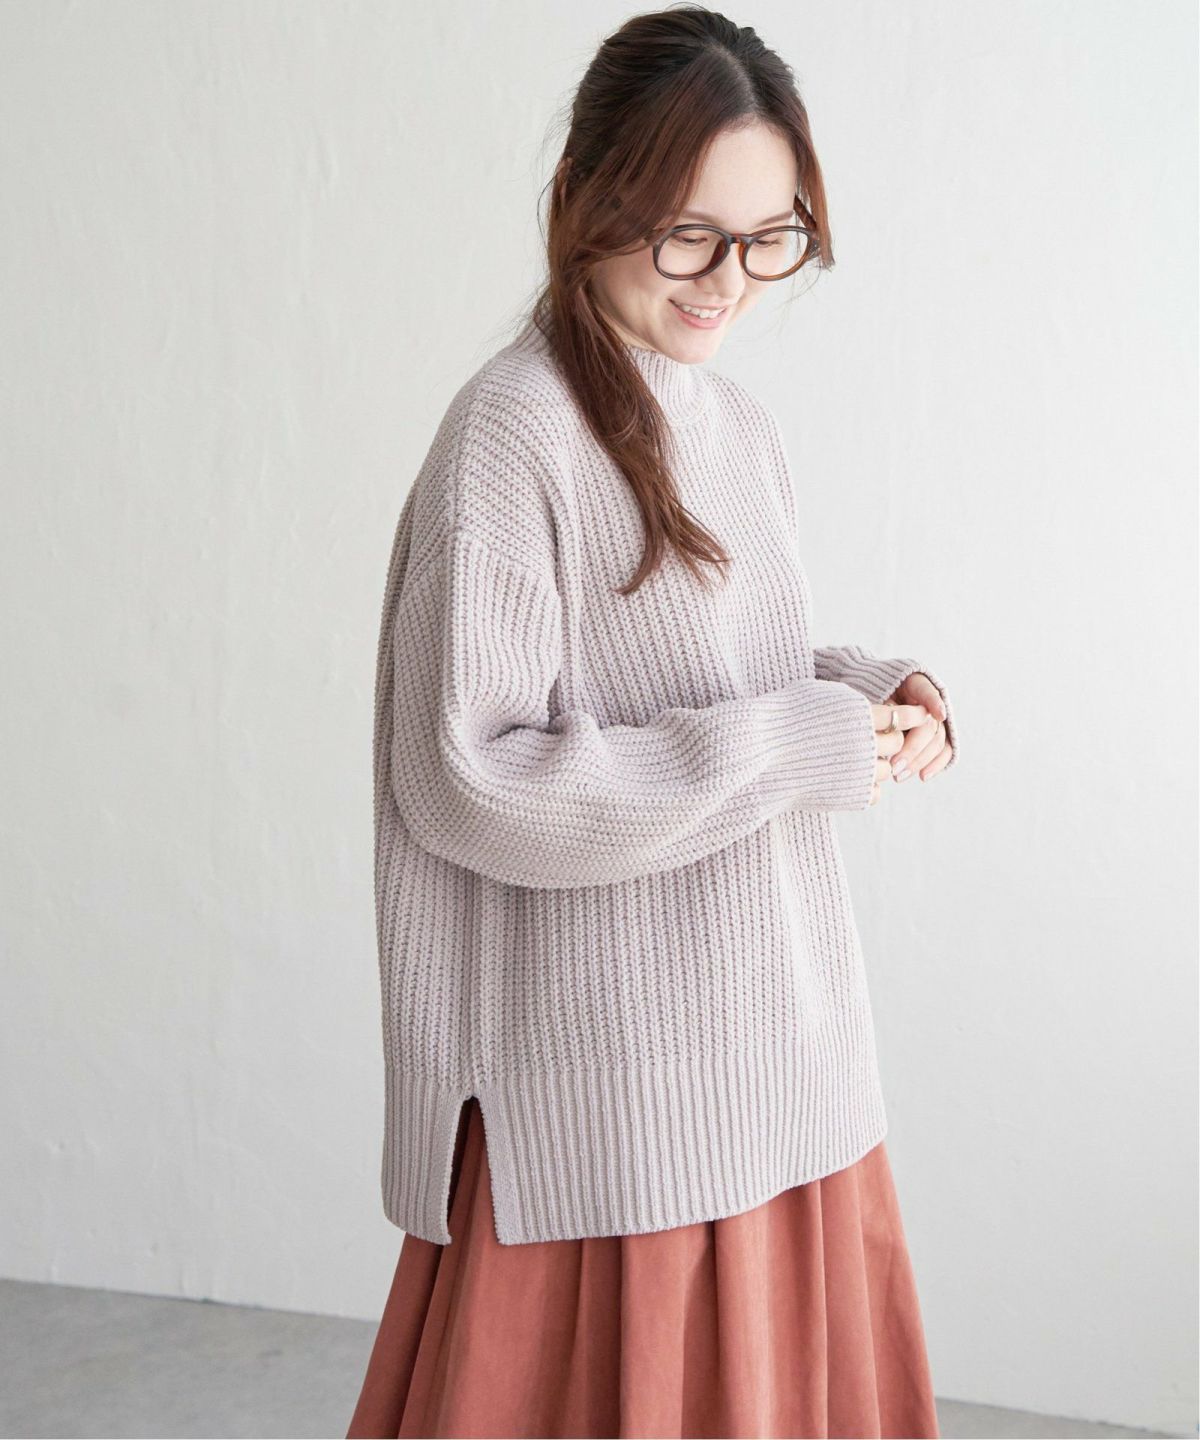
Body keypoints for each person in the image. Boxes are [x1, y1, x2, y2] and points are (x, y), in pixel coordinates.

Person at [348, 7, 957, 1437]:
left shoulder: (733, 424)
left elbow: (715, 669)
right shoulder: (512, 433)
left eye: (769, 237)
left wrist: (868, 686)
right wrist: (795, 743)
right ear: (586, 199)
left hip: (780, 1052)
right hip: (615, 1102)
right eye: (689, 234)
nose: (729, 278)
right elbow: (472, 780)